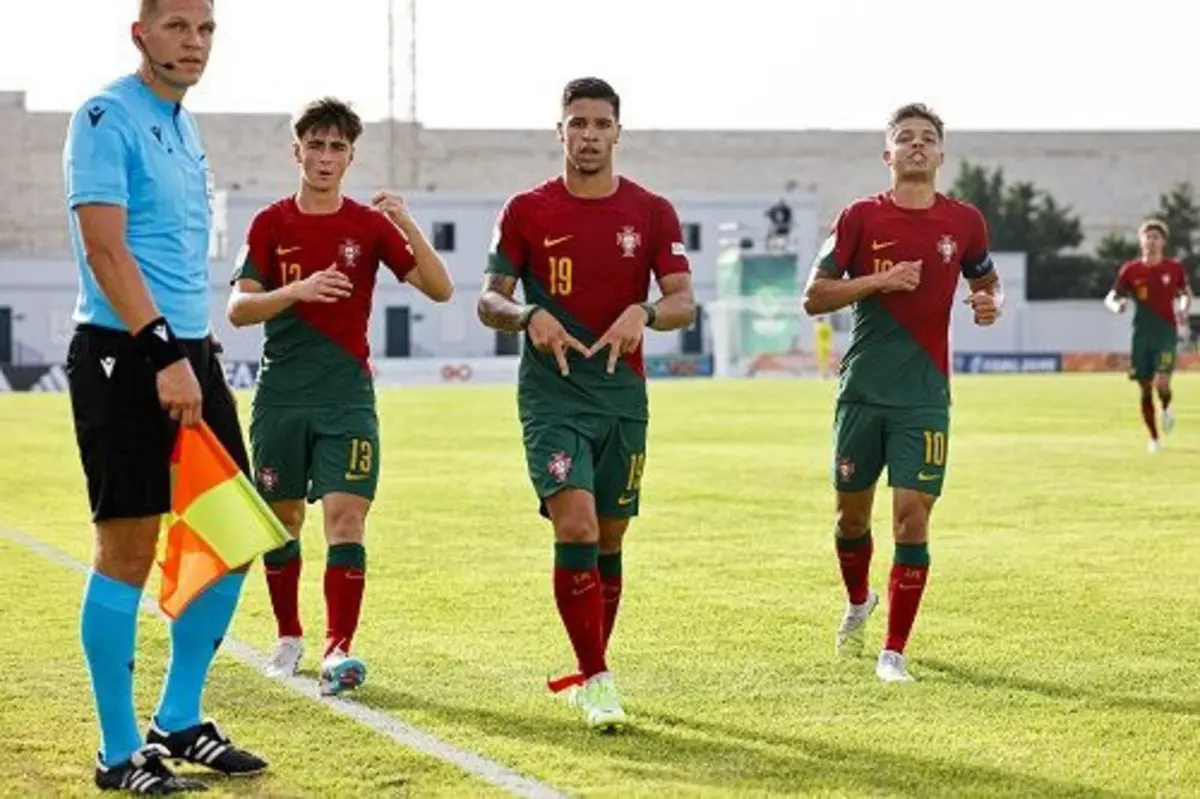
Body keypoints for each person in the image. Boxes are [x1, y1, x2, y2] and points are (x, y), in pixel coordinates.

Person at [62, 0, 268, 793]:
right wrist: (160, 351)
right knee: (128, 549)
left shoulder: (184, 126)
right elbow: (106, 250)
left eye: (206, 28)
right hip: (124, 354)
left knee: (233, 532)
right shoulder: (105, 115)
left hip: (189, 351)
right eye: (178, 25)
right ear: (140, 32)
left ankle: (177, 718)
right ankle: (119, 752)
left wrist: (195, 346)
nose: (195, 42)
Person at [477, 77, 695, 731]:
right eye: (578, 123)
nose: (590, 135)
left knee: (611, 535)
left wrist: (645, 309)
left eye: (602, 124)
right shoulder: (526, 210)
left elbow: (684, 300)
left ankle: (592, 666)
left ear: (618, 133)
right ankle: (596, 676)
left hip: (622, 396)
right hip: (552, 396)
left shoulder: (653, 212)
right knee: (576, 526)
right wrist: (527, 315)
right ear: (560, 131)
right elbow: (490, 299)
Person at [228, 97, 453, 696]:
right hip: (280, 397)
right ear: (296, 149)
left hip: (347, 398)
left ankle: (337, 649)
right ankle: (288, 636)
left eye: (337, 147)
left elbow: (440, 288)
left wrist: (406, 225)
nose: (325, 157)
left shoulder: (368, 225)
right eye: (316, 145)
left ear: (351, 156)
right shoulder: (270, 223)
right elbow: (238, 309)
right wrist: (296, 289)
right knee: (283, 522)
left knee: (346, 520)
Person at [802, 103, 1002, 683]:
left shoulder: (965, 223)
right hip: (863, 391)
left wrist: (992, 304)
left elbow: (986, 281)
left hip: (924, 395)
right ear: (887, 154)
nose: (917, 146)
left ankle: (893, 652)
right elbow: (815, 296)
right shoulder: (860, 217)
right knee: (850, 519)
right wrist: (880, 281)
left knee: (911, 521)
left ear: (941, 154)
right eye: (905, 138)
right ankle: (860, 599)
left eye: (928, 138)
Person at [1103, 219, 1192, 452]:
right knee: (1144, 388)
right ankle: (1154, 439)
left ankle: (1167, 405)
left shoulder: (1174, 268)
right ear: (1141, 241)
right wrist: (1117, 305)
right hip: (1141, 336)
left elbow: (1184, 294)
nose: (1151, 241)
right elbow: (1111, 297)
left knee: (1161, 381)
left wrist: (1183, 308)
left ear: (1163, 241)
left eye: (1156, 237)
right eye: (1147, 237)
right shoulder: (1130, 270)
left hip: (1165, 334)